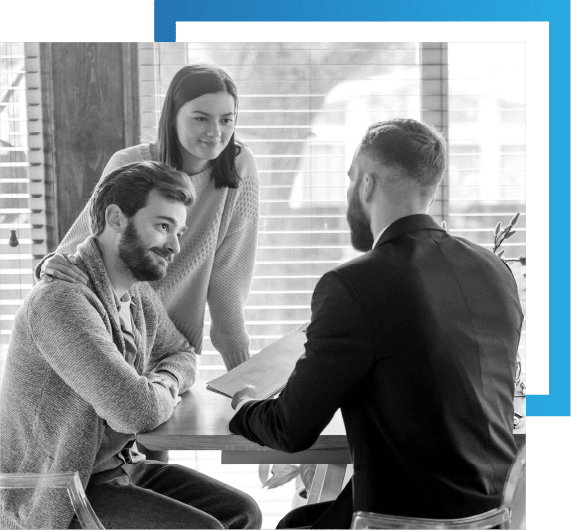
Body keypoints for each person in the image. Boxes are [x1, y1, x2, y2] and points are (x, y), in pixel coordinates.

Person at [230, 119, 523, 529]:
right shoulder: (495, 272)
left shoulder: (353, 285)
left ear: (366, 184)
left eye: (351, 179)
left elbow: (291, 429)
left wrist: (244, 407)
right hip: (490, 519)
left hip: (404, 520)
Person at [0, 161, 262, 530]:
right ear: (116, 218)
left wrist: (163, 382)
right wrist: (162, 387)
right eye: (162, 226)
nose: (174, 245)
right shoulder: (61, 303)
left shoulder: (136, 294)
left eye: (179, 231)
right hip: (61, 490)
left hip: (120, 467)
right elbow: (133, 411)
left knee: (242, 512)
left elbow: (183, 354)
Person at [36, 64, 260, 461]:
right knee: (106, 462)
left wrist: (246, 381)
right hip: (113, 342)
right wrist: (50, 270)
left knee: (154, 472)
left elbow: (227, 279)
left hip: (170, 352)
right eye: (201, 118)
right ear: (171, 117)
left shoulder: (238, 169)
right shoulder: (133, 164)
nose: (216, 132)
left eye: (227, 120)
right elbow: (84, 242)